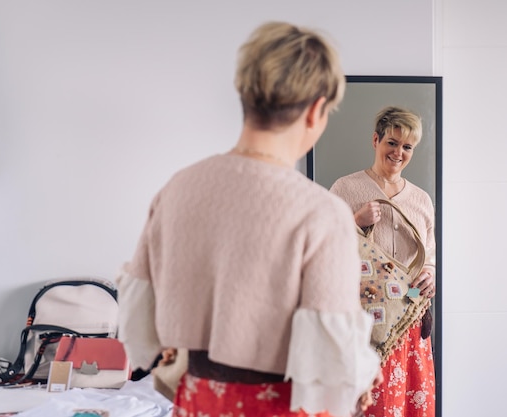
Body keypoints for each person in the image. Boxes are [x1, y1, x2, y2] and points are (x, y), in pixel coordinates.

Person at [116, 21, 382, 417]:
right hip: (279, 407)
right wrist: (367, 371)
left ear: (246, 96)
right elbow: (335, 364)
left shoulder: (178, 189)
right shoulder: (320, 212)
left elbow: (142, 323)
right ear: (315, 111)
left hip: (198, 402)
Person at [330, 106, 436, 417]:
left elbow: (429, 254)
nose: (398, 152)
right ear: (376, 140)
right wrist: (354, 221)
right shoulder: (345, 188)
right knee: (367, 404)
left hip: (409, 314)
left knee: (408, 402)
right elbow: (324, 251)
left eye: (407, 147)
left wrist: (430, 273)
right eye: (392, 142)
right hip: (364, 320)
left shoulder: (420, 199)